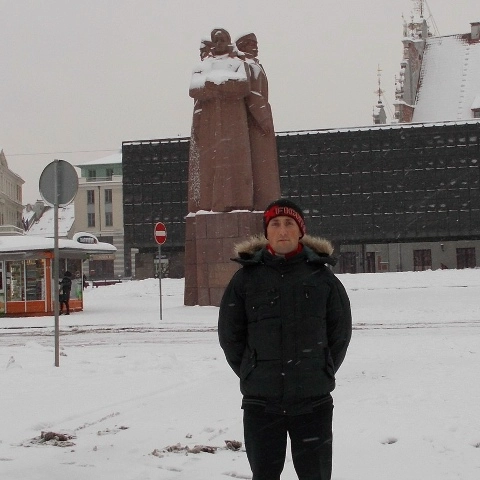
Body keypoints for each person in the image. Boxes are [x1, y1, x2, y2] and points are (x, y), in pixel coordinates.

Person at [218, 198, 352, 480]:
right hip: (261, 403)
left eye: (289, 223)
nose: (282, 230)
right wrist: (251, 370)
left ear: (300, 231)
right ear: (266, 232)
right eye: (275, 224)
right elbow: (230, 335)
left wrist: (322, 368)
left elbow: (339, 334)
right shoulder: (245, 279)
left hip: (313, 401)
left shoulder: (323, 278)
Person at [188, 28, 253, 212]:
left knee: (236, 163)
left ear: (228, 41)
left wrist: (215, 86)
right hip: (209, 121)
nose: (219, 43)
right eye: (215, 40)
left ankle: (238, 201)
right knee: (211, 163)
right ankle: (210, 204)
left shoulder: (238, 63)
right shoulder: (203, 66)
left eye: (222, 39)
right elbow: (193, 89)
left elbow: (244, 85)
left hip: (234, 121)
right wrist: (222, 86)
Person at [235, 33, 281, 210]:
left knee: (265, 167)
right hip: (256, 123)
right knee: (262, 168)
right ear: (242, 46)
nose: (255, 47)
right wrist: (263, 119)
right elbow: (253, 95)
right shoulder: (247, 66)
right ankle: (264, 204)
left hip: (259, 118)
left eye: (255, 43)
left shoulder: (254, 65)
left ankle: (266, 202)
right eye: (250, 44)